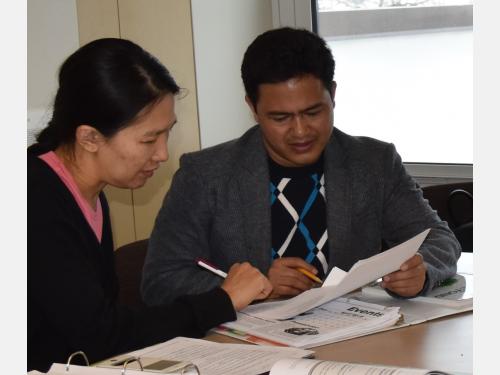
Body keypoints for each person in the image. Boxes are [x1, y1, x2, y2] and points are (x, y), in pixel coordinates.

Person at [141, 27, 461, 306]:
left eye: (313, 112)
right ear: (252, 107)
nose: (300, 131)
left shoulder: (373, 163)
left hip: (349, 343)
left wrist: (421, 271)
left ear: (333, 95)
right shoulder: (206, 175)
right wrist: (256, 286)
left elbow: (440, 239)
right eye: (280, 118)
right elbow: (161, 282)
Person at [27, 38, 272, 372]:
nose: (162, 154)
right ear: (89, 138)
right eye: (148, 139)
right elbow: (100, 335)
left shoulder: (87, 189)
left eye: (166, 133)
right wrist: (222, 301)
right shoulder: (35, 199)